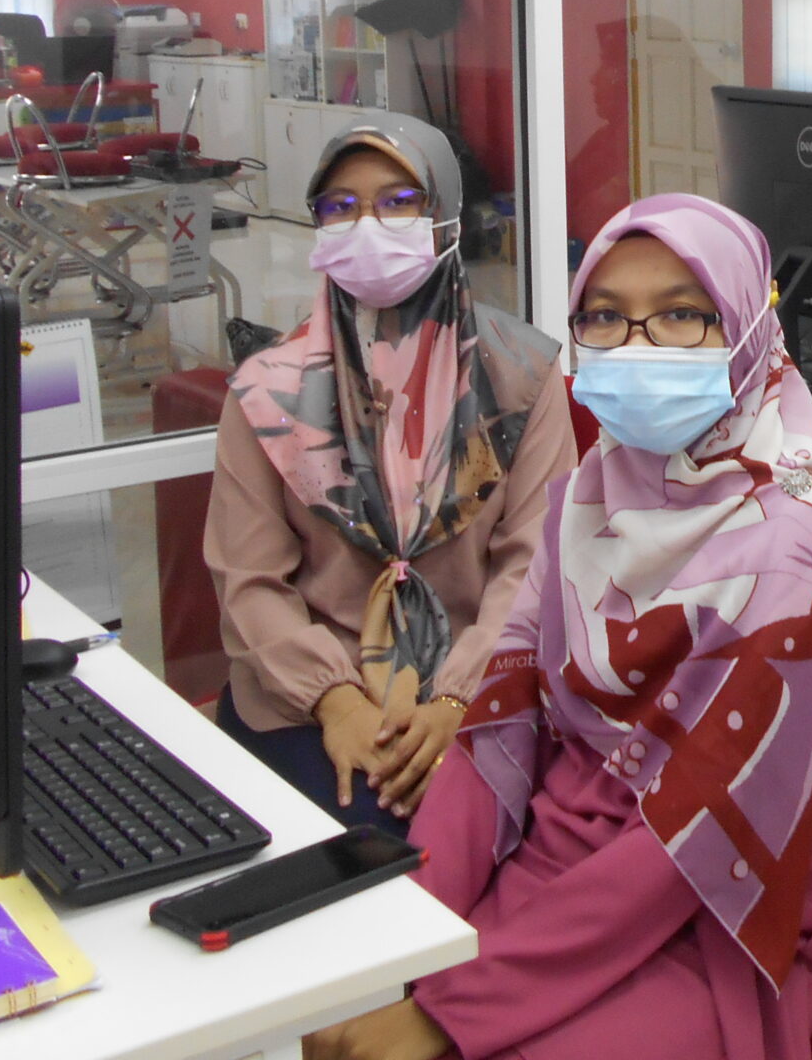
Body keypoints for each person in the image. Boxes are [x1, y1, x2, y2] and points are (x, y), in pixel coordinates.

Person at [305, 194, 812, 1060]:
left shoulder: (803, 563)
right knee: (323, 1021)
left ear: (747, 332)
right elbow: (497, 728)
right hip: (547, 877)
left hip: (709, 923)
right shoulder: (588, 500)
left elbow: (690, 846)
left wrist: (447, 1012)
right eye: (605, 318)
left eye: (682, 316)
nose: (637, 346)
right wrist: (409, 933)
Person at [205, 114, 572, 832]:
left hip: (484, 685)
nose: (367, 226)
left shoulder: (521, 377)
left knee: (466, 844)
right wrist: (335, 702)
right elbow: (248, 581)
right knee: (345, 847)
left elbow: (536, 567)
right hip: (305, 696)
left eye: (400, 202)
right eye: (340, 207)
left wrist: (458, 697)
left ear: (446, 217)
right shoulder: (267, 392)